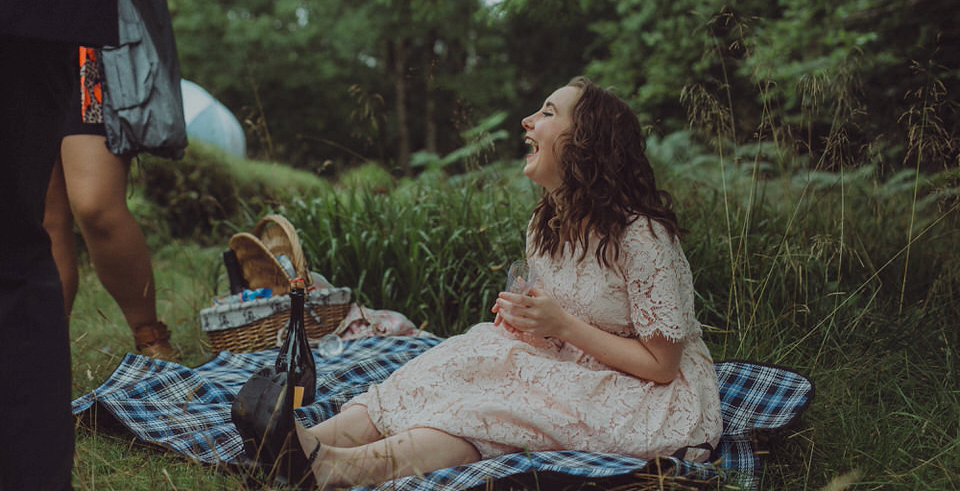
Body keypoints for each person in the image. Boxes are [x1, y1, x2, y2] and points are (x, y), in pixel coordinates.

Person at [240, 76, 723, 488]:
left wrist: (563, 326)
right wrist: (529, 320)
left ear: (587, 142)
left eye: (548, 113)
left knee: (500, 403)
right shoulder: (546, 225)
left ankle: (335, 469)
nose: (527, 121)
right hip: (573, 360)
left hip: (649, 396)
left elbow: (661, 366)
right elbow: (560, 316)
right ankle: (307, 439)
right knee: (465, 354)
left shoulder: (642, 237)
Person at [0, 0, 136, 489]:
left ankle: (151, 334)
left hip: (61, 19)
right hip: (51, 1)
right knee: (41, 222)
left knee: (82, 211)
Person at [43, 0, 187, 360]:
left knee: (96, 208)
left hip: (92, 66)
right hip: (25, 59)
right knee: (44, 222)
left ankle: (151, 339)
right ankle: (43, 360)